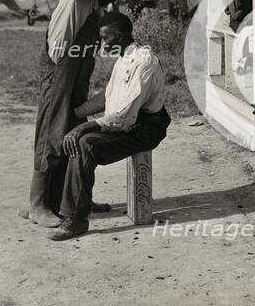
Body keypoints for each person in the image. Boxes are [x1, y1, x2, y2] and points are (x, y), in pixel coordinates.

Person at [24, 0, 143, 227]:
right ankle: (38, 204)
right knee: (52, 130)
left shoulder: (94, 5)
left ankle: (72, 200)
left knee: (73, 128)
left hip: (76, 70)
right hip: (60, 69)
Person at [49, 12, 170, 240]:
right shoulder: (124, 57)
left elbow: (123, 117)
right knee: (74, 134)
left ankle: (76, 219)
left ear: (120, 35)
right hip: (130, 123)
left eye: (105, 38)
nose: (102, 44)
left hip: (146, 129)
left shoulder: (143, 62)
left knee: (85, 143)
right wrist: (74, 115)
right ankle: (77, 201)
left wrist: (82, 128)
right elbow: (109, 97)